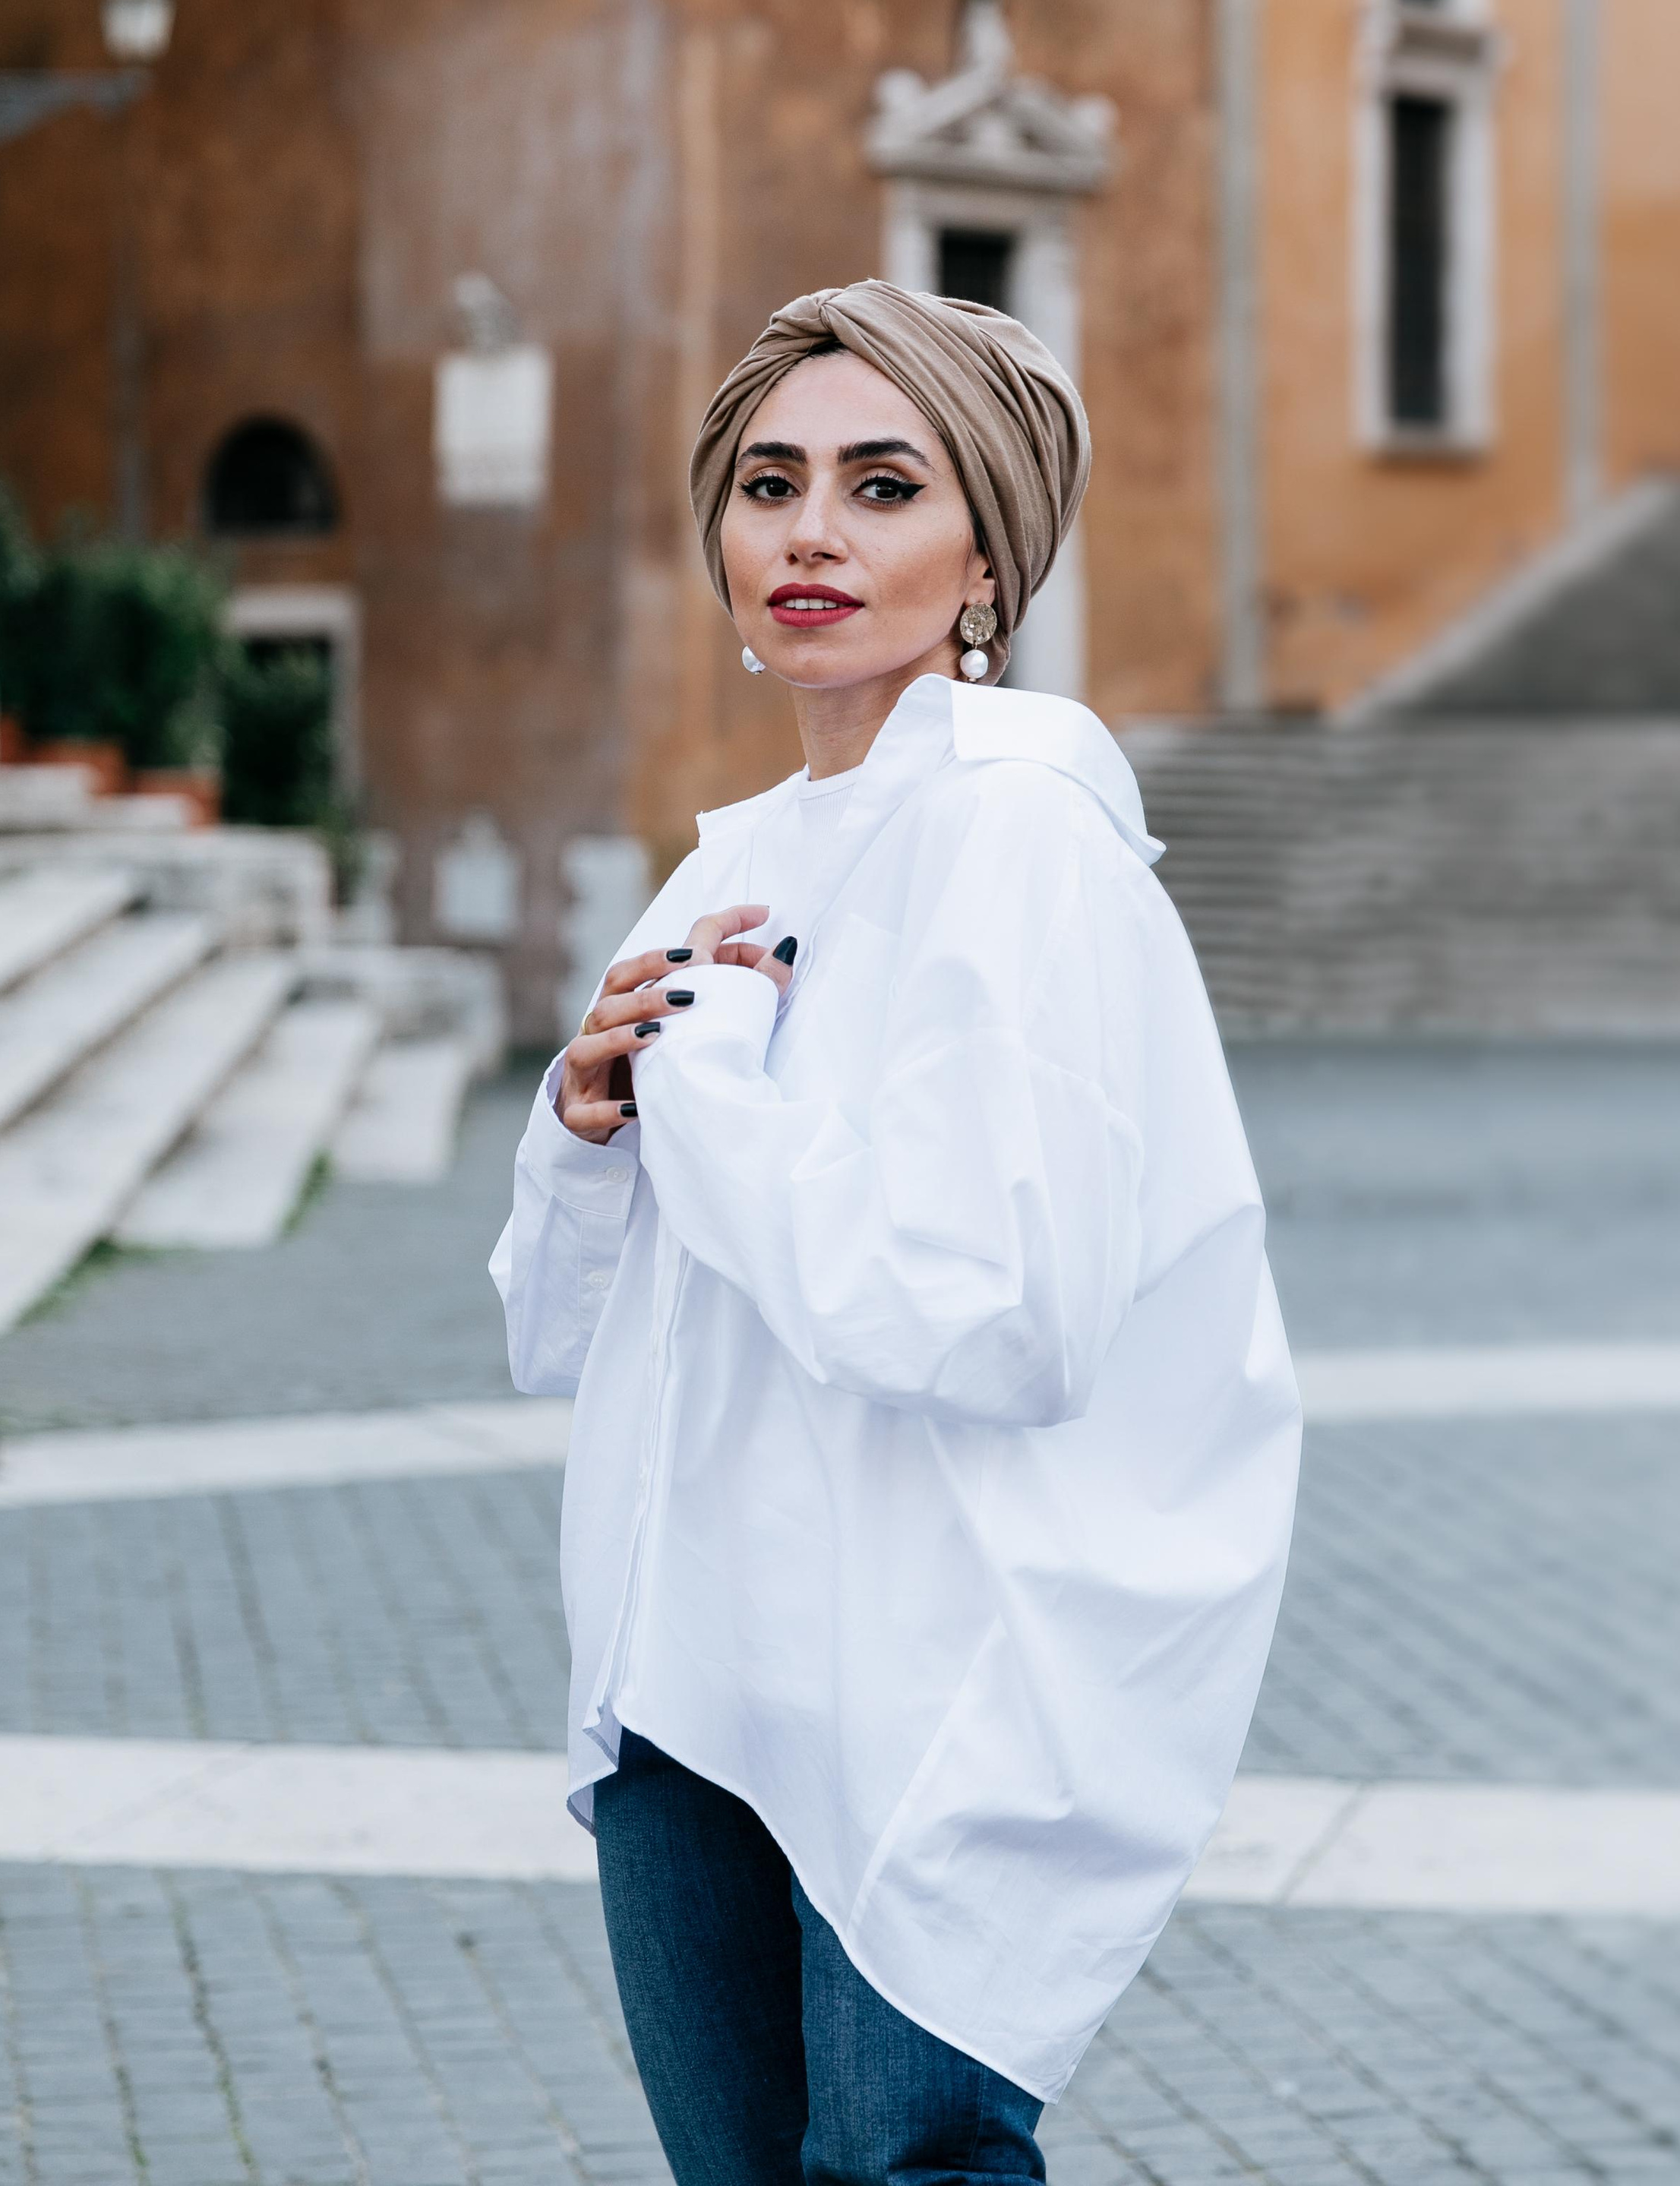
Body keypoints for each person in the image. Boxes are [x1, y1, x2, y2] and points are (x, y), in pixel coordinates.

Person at [491, 280, 1301, 2185]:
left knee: (900, 2168)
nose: (809, 534)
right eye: (768, 484)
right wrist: (589, 1124)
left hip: (932, 1671)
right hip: (691, 1668)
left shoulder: (1018, 833)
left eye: (879, 483)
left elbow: (991, 1315)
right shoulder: (731, 861)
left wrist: (711, 1090)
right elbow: (560, 1332)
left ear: (984, 553)